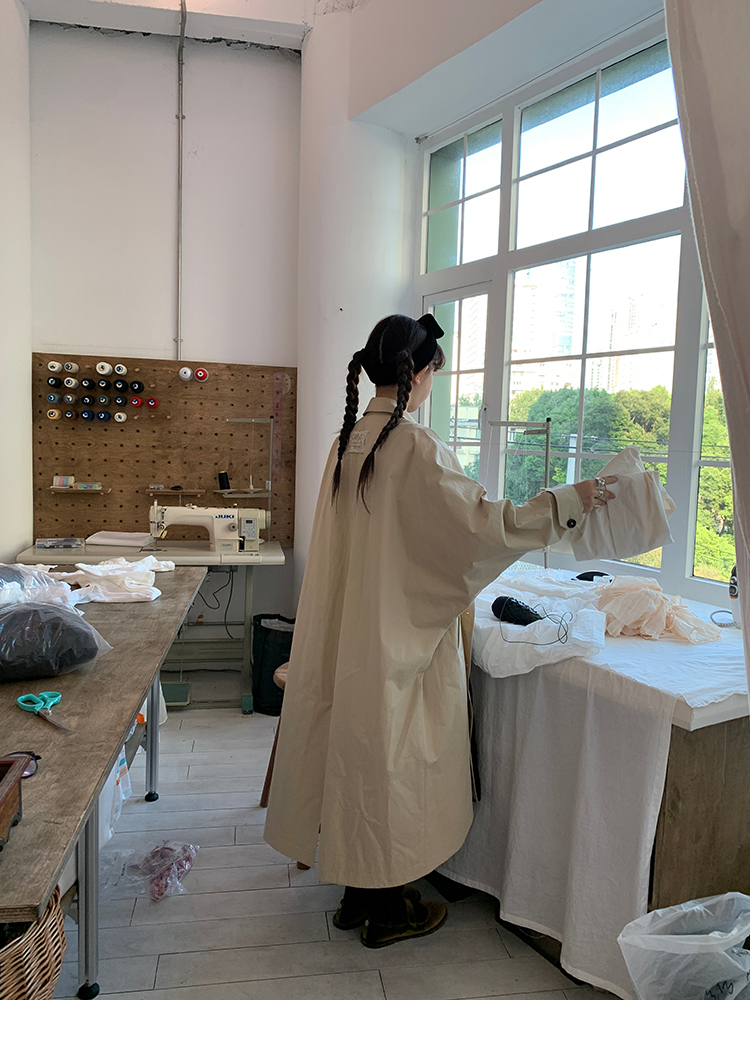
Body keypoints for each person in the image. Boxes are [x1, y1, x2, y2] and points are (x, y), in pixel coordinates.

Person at [263, 312, 616, 948]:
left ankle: (357, 892)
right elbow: (481, 528)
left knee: (354, 752)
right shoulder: (414, 447)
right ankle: (387, 907)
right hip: (392, 633)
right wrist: (568, 501)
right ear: (422, 373)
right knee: (389, 764)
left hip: (348, 627)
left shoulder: (348, 440)